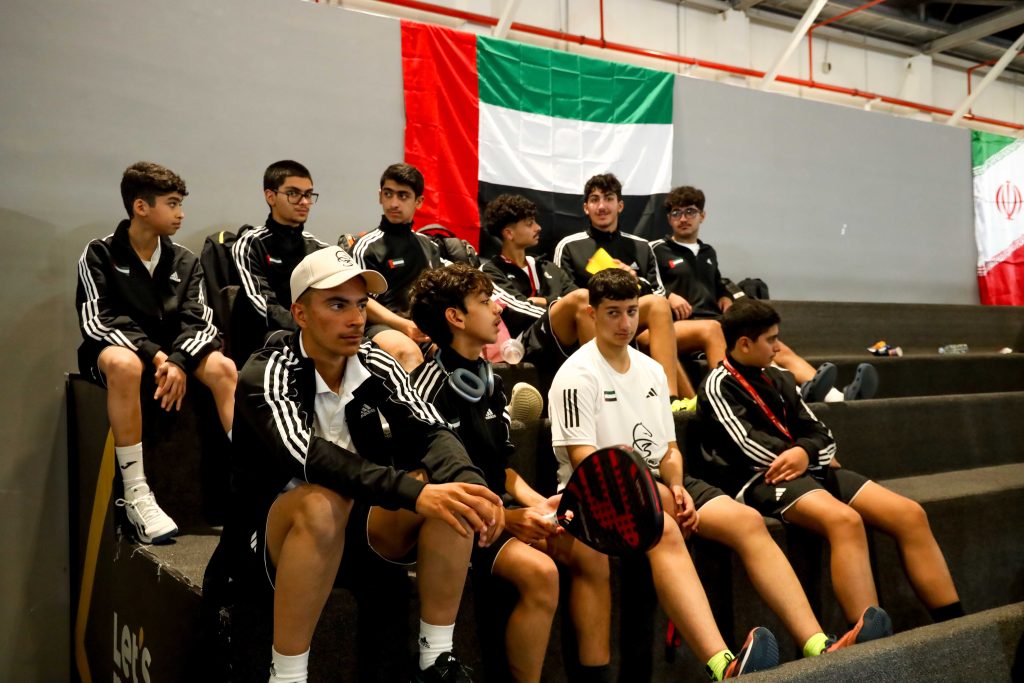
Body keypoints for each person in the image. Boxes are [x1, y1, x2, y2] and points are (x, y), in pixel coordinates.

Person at [549, 270, 892, 681]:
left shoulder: (652, 370)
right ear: (592, 314)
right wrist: (660, 494)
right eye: (613, 313)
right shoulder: (576, 375)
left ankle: (817, 643)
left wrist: (676, 485)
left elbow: (668, 449)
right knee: (665, 529)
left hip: (660, 481)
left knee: (746, 521)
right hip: (599, 491)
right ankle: (722, 665)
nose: (625, 323)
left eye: (632, 312)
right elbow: (585, 459)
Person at [218, 246, 505, 683]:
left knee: (454, 496)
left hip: (359, 525)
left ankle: (436, 660)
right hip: (272, 535)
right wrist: (415, 493)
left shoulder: (374, 360)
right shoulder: (267, 370)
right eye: (337, 305)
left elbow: (431, 430)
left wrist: (472, 484)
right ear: (300, 314)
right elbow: (306, 456)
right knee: (322, 501)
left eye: (360, 305)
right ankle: (287, 675)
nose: (356, 319)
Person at [698, 298, 963, 628]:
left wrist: (806, 453)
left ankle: (955, 624)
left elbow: (822, 433)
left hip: (805, 466)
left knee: (909, 514)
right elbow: (750, 448)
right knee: (845, 521)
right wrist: (804, 454)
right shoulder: (718, 385)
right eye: (771, 339)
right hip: (760, 479)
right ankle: (870, 640)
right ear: (744, 344)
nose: (778, 347)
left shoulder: (779, 377)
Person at [407, 264, 612, 683]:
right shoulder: (426, 387)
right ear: (455, 317)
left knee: (590, 548)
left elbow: (500, 470)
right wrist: (511, 519)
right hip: (454, 523)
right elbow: (429, 481)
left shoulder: (489, 380)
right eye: (485, 302)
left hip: (495, 507)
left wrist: (543, 505)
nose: (498, 308)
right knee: (541, 573)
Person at [76, 161, 237, 544]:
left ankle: (255, 478)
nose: (181, 214)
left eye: (180, 204)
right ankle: (136, 493)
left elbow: (200, 322)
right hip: (121, 351)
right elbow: (97, 320)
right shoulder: (99, 253)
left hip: (174, 354)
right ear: (141, 207)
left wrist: (177, 361)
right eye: (172, 204)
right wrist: (157, 356)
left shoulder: (184, 259)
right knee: (124, 363)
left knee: (224, 368)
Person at [652, 186, 877, 402]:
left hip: (719, 324)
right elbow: (647, 284)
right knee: (744, 344)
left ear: (702, 216)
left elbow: (718, 283)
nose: (683, 218)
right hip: (683, 327)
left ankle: (836, 396)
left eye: (690, 212)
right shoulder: (657, 249)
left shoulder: (708, 252)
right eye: (676, 213)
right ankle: (793, 395)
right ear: (669, 219)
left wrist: (725, 296)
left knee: (774, 345)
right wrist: (668, 295)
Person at [232, 160, 423, 370]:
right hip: (266, 335)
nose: (304, 201)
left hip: (313, 331)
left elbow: (343, 299)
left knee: (366, 351)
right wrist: (314, 328)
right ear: (270, 196)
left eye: (308, 194)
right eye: (293, 194)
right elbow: (264, 306)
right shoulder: (251, 243)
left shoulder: (319, 248)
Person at [551, 174, 696, 406]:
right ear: (586, 207)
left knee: (659, 304)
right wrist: (605, 285)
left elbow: (658, 293)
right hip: (590, 318)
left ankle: (669, 399)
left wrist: (634, 280)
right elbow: (562, 296)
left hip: (631, 320)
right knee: (587, 300)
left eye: (608, 198)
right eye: (595, 200)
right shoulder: (569, 246)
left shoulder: (641, 246)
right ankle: (603, 395)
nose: (601, 206)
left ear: (620, 205)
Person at [480, 194, 594, 377]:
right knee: (581, 301)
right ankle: (600, 379)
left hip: (559, 336)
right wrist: (562, 308)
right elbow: (518, 310)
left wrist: (546, 302)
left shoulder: (547, 266)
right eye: (529, 223)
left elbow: (578, 298)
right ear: (509, 233)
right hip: (523, 343)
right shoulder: (490, 271)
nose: (538, 227)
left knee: (648, 304)